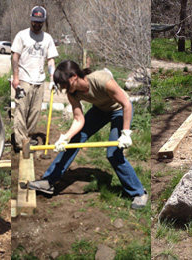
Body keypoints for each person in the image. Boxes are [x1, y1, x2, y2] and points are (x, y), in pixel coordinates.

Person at [27, 60, 149, 210]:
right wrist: (66, 137)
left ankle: (139, 193)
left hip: (119, 110)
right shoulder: (73, 94)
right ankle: (48, 181)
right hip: (100, 110)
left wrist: (125, 133)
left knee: (113, 153)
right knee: (74, 141)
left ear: (73, 77)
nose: (64, 88)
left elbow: (126, 104)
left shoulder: (102, 80)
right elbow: (79, 119)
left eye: (64, 84)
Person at [11, 6, 58, 151]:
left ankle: (27, 138)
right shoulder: (22, 36)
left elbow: (50, 60)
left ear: (43, 22)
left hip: (39, 80)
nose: (37, 25)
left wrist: (52, 78)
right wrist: (16, 77)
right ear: (30, 19)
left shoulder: (47, 38)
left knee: (35, 112)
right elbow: (15, 57)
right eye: (34, 22)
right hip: (24, 79)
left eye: (40, 22)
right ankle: (20, 143)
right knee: (21, 111)